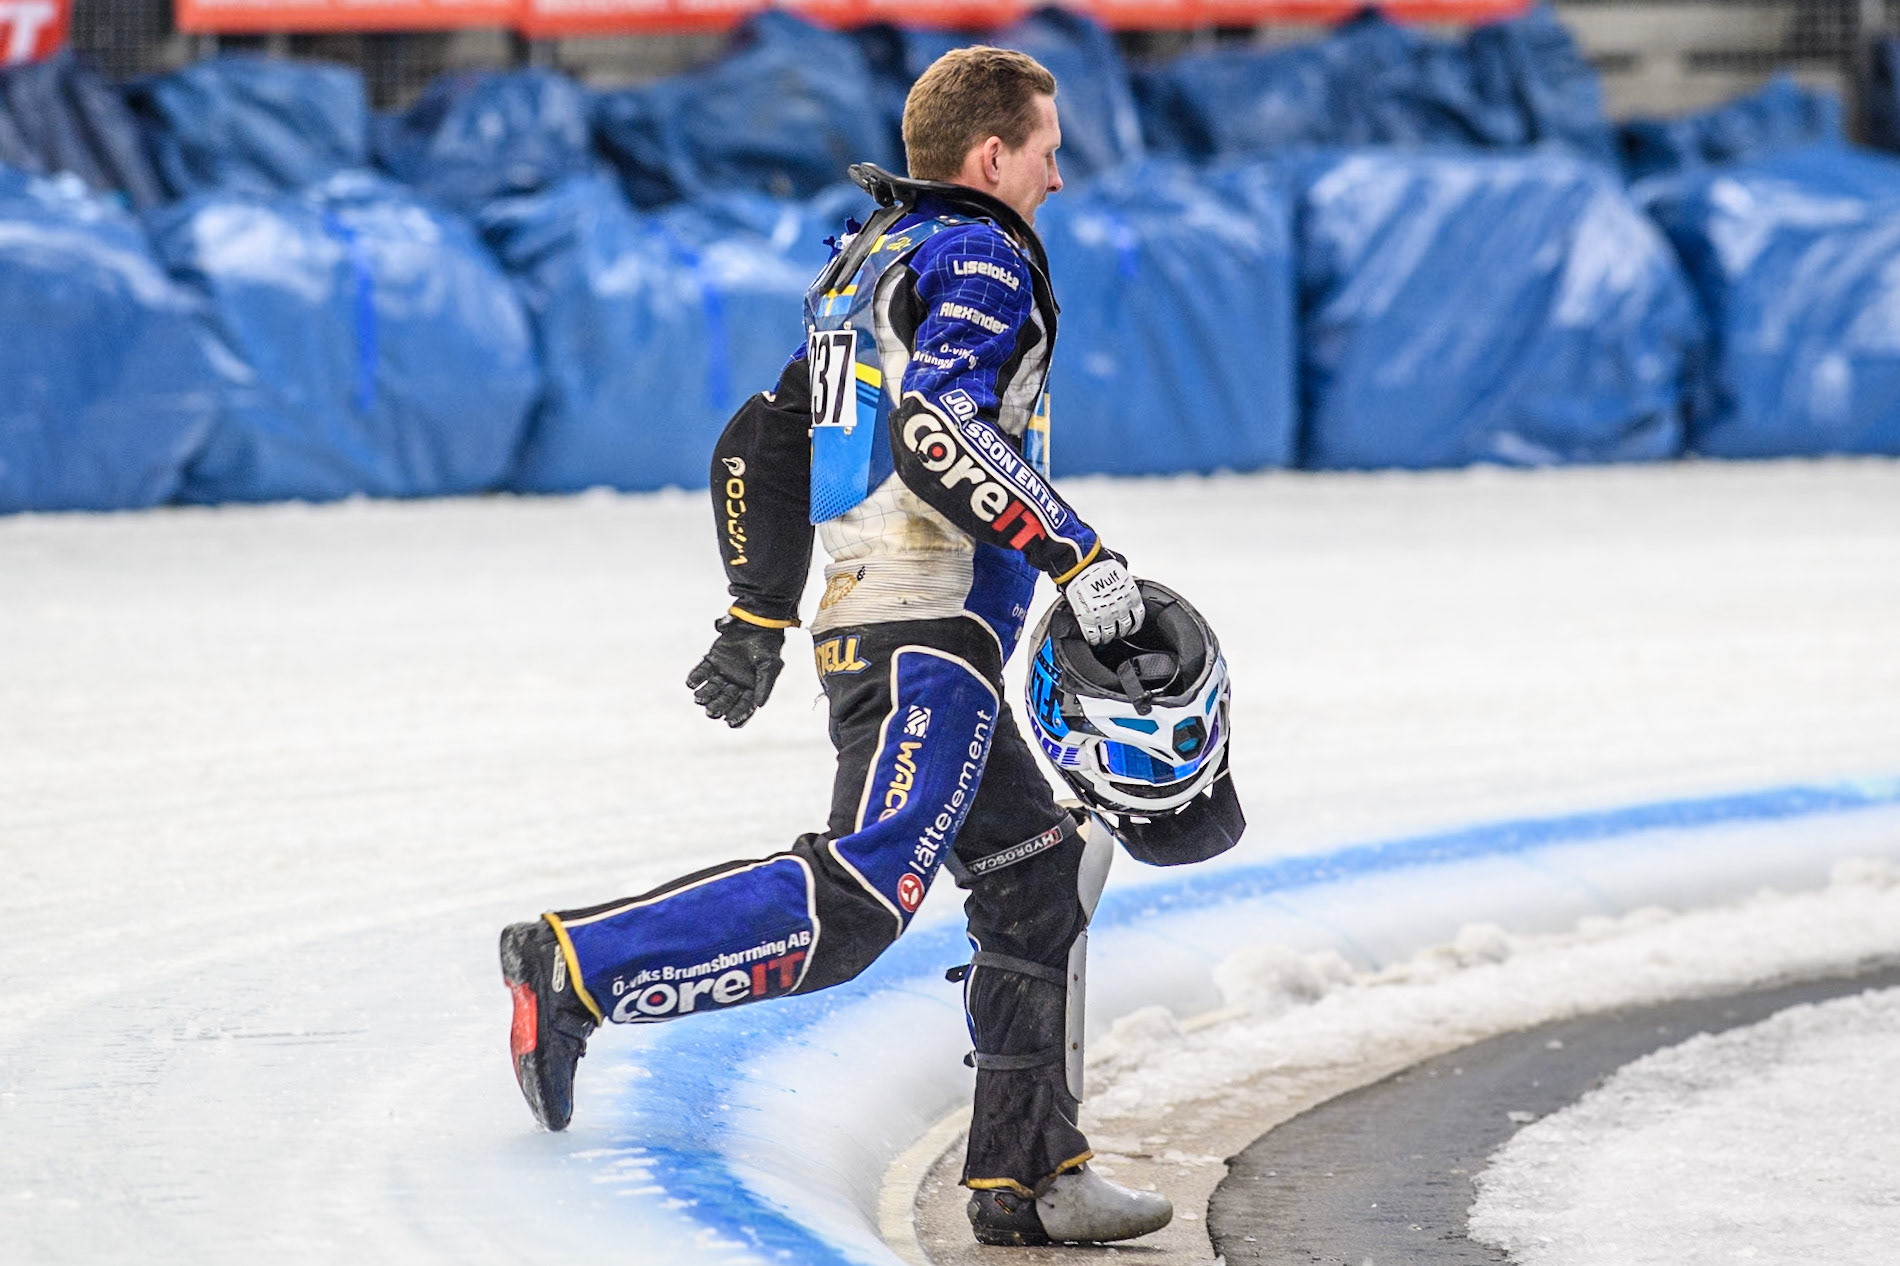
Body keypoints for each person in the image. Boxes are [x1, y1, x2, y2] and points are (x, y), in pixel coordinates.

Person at [499, 46, 1172, 1247]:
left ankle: (1030, 1179)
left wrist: (757, 617)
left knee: (1032, 882)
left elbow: (761, 439)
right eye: (1049, 154)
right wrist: (1078, 551)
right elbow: (936, 425)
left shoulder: (867, 263)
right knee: (863, 893)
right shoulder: (978, 251)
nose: (1058, 182)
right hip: (928, 635)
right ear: (991, 157)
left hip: (881, 627)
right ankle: (577, 966)